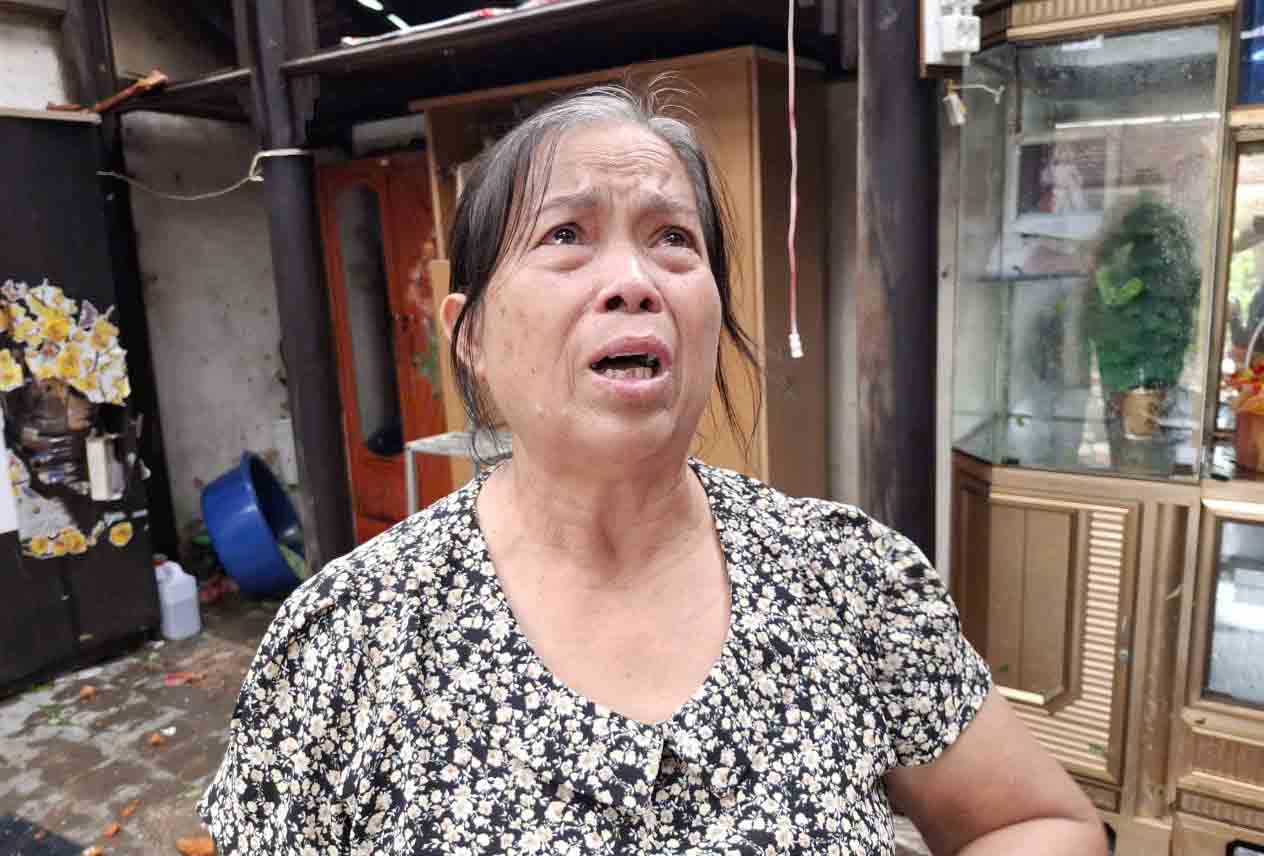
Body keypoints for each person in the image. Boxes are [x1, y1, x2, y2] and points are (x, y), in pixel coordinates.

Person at [199, 84, 1107, 855]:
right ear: (468, 338)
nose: (634, 279)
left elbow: (1038, 820)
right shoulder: (348, 641)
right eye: (566, 235)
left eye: (673, 238)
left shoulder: (847, 577)